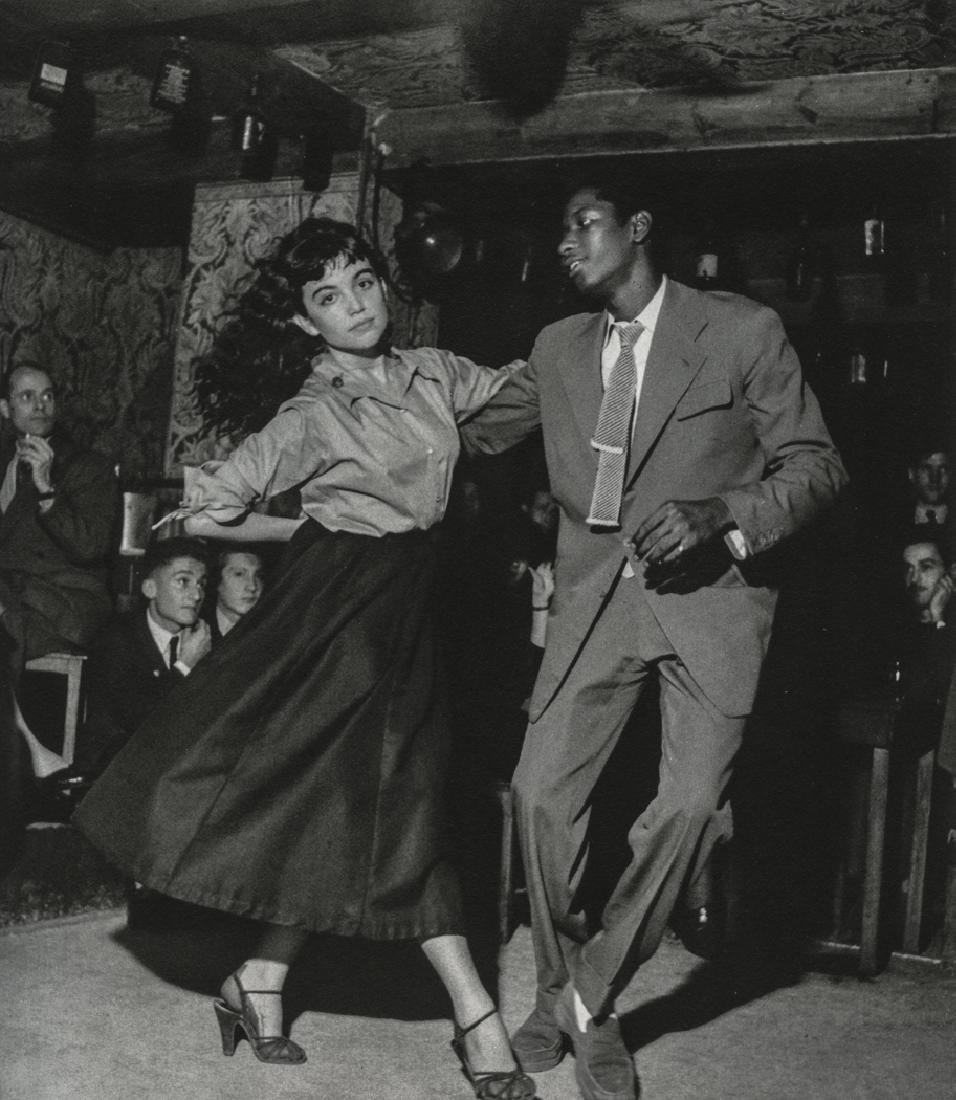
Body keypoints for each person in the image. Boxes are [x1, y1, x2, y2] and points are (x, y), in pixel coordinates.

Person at [74, 217, 534, 1099]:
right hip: (340, 612)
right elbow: (217, 503)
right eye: (328, 297)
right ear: (303, 323)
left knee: (345, 803)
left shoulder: (434, 373)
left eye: (362, 281)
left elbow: (523, 398)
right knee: (399, 804)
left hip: (410, 605)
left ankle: (261, 980)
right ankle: (479, 1018)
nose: (354, 305)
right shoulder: (314, 409)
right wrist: (308, 528)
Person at [462, 174, 848, 1100]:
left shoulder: (741, 330)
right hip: (594, 604)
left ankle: (587, 996)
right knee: (537, 799)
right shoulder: (556, 347)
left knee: (688, 811)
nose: (565, 243)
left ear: (637, 229)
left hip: (709, 602)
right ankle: (564, 988)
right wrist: (362, 392)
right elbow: (471, 428)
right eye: (557, 230)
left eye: (581, 224)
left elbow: (819, 465)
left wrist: (723, 512)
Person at [0, 362, 118, 778]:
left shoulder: (87, 467)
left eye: (48, 395)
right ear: (4, 407)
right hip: (12, 602)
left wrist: (48, 487)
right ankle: (31, 748)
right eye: (26, 396)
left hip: (66, 603)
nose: (40, 405)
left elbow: (91, 547)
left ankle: (27, 754)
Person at [77, 537, 212, 775]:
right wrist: (185, 666)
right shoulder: (116, 640)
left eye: (201, 584)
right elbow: (140, 724)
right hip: (115, 774)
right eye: (183, 581)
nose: (196, 594)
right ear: (150, 588)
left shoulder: (208, 640)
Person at [204, 546, 265, 642]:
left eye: (258, 575)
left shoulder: (272, 627)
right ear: (216, 580)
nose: (252, 587)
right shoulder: (194, 627)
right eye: (239, 574)